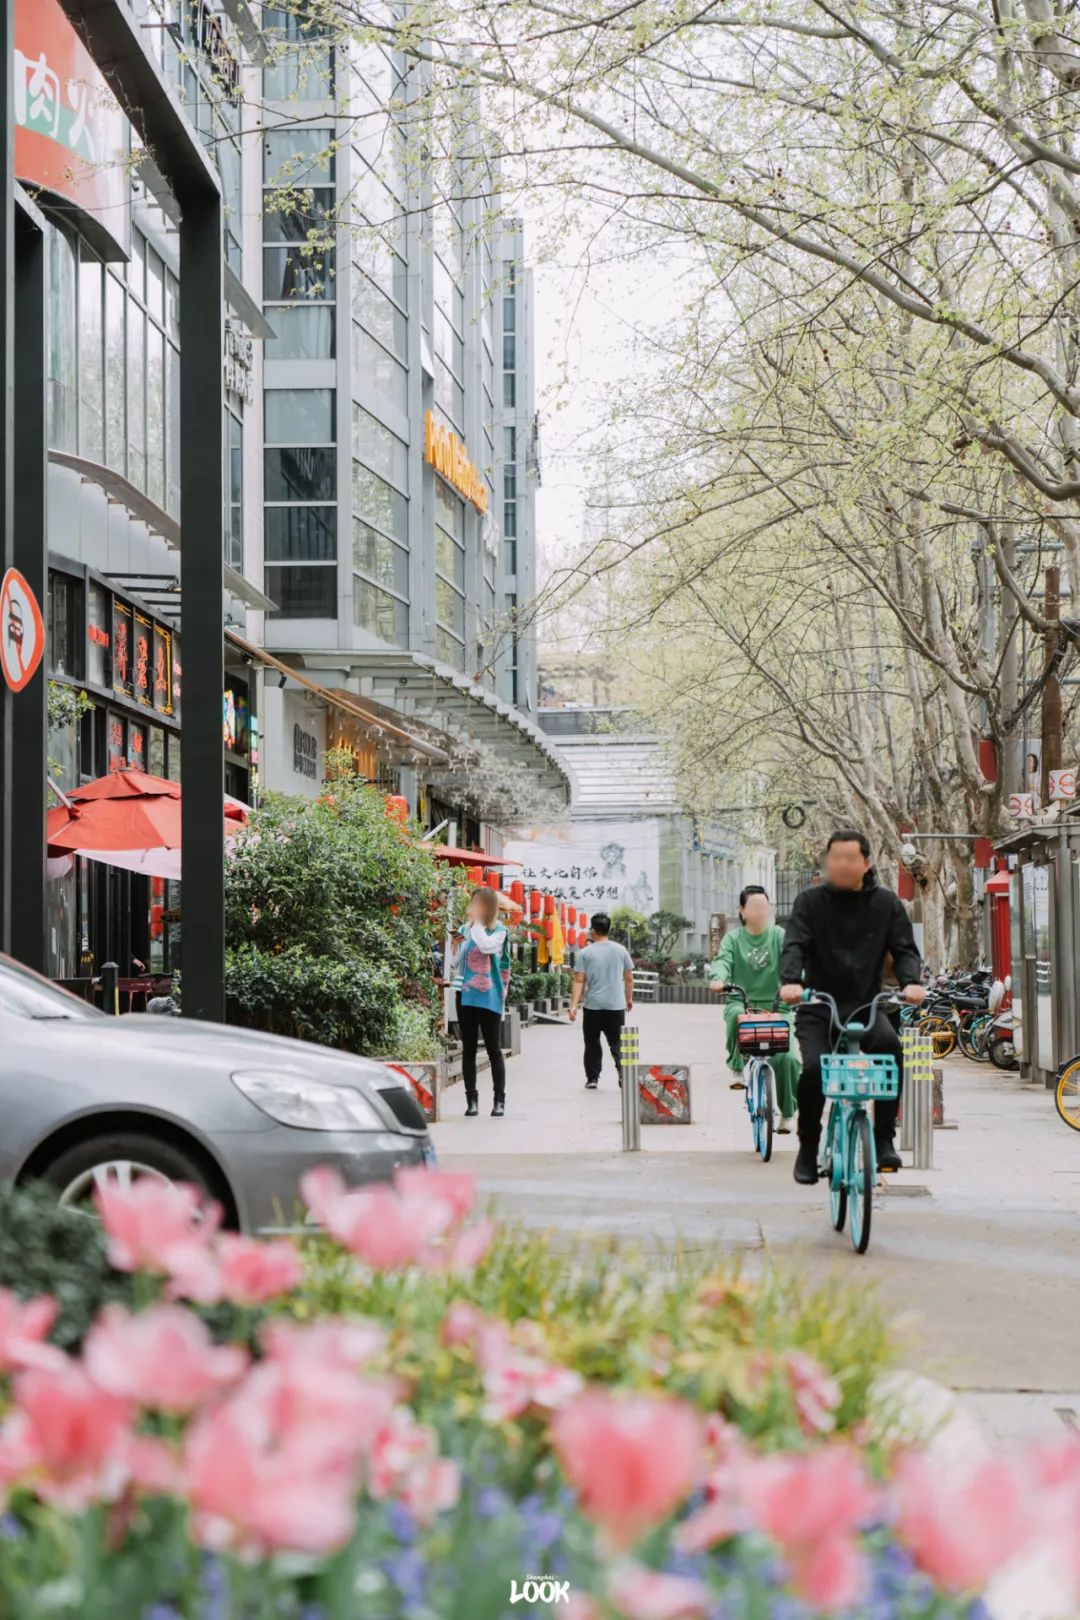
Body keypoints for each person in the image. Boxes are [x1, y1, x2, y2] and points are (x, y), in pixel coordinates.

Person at [779, 830, 925, 1184]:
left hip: (866, 1006)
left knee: (891, 1049)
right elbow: (794, 945)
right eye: (835, 858)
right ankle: (808, 1147)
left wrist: (911, 983)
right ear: (827, 862)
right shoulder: (809, 903)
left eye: (849, 858)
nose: (841, 865)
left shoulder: (887, 904)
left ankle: (884, 1137)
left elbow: (904, 949)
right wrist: (790, 982)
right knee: (814, 1069)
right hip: (818, 1006)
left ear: (866, 863)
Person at [708, 885, 800, 1131]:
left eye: (765, 907)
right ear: (742, 911)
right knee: (735, 1016)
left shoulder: (779, 936)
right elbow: (722, 961)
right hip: (742, 1001)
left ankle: (788, 1113)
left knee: (788, 1058)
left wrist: (797, 983)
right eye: (755, 907)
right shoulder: (733, 939)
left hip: (777, 1006)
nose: (761, 911)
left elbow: (794, 961)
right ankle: (737, 1067)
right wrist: (719, 979)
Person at [454, 887, 511, 1117]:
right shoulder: (464, 929)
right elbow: (456, 963)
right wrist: (456, 944)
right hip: (465, 995)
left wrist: (475, 924)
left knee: (493, 1050)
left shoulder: (499, 931)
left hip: (490, 995)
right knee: (468, 1049)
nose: (473, 908)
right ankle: (472, 1100)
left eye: (478, 904)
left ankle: (499, 1100)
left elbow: (487, 946)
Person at [569, 912, 634, 1089]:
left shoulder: (585, 953)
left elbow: (579, 980)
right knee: (617, 1042)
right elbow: (629, 978)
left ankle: (592, 1078)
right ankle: (623, 1074)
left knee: (592, 1043)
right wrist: (629, 999)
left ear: (593, 930)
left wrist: (573, 1006)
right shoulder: (621, 950)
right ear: (608, 929)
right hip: (616, 1006)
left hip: (593, 1006)